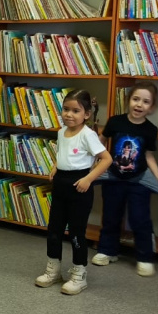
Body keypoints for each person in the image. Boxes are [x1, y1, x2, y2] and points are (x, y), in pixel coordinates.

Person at [34, 90, 112, 294]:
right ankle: (53, 270)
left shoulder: (88, 135)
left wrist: (88, 179)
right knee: (54, 230)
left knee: (77, 233)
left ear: (87, 114)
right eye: (66, 109)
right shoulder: (62, 132)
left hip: (79, 186)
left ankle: (79, 274)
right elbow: (62, 152)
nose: (69, 114)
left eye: (75, 111)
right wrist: (55, 166)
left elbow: (106, 159)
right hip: (60, 185)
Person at [93, 81, 158, 276]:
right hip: (113, 177)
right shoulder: (115, 121)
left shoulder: (150, 130)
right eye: (136, 99)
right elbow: (100, 142)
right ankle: (107, 250)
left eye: (146, 101)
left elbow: (149, 156)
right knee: (111, 216)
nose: (139, 104)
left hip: (138, 180)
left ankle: (144, 257)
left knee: (140, 218)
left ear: (151, 107)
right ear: (128, 100)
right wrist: (93, 161)